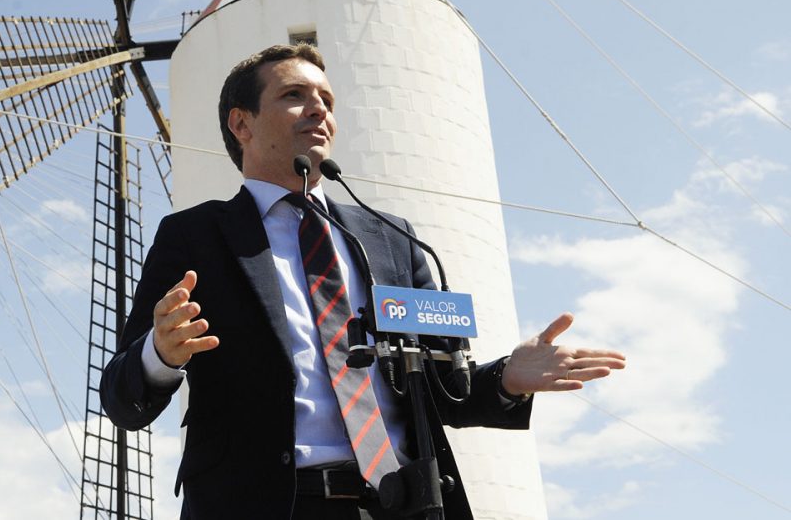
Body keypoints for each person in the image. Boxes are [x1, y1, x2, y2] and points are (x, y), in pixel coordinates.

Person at [100, 44, 626, 519]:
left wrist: (508, 377)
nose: (319, 109)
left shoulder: (395, 240)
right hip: (266, 505)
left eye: (326, 98)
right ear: (243, 124)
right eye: (294, 94)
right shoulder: (195, 237)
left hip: (401, 505)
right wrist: (160, 354)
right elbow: (123, 399)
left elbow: (445, 392)